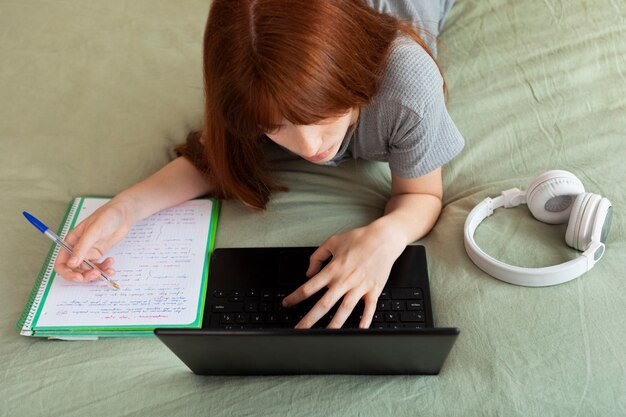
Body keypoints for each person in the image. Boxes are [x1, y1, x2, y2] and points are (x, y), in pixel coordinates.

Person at [54, 0, 464, 329]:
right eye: (275, 127)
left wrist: (388, 235)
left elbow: (421, 193)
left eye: (319, 114)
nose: (309, 147)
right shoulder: (250, 82)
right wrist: (124, 208)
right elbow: (214, 159)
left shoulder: (406, 84)